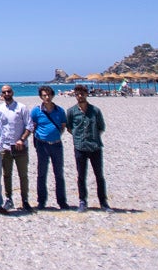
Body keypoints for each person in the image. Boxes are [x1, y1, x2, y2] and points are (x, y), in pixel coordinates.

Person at [66, 85, 112, 213]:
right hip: (80, 147)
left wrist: (92, 136)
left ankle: (103, 202)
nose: (80, 96)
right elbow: (69, 128)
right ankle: (82, 201)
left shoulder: (95, 111)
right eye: (77, 94)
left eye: (82, 94)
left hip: (95, 147)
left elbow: (101, 127)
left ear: (86, 94)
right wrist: (79, 137)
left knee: (99, 176)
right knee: (81, 175)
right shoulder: (71, 111)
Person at [30, 85, 69, 210]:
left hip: (56, 144)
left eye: (48, 95)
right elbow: (33, 125)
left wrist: (55, 135)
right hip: (42, 145)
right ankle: (41, 201)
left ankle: (62, 201)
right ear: (41, 97)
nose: (46, 97)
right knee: (42, 173)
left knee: (59, 173)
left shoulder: (60, 110)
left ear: (52, 95)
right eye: (44, 95)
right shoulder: (36, 111)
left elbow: (63, 125)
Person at [0, 84, 33, 211]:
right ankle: (9, 199)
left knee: (23, 175)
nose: (6, 94)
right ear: (1, 94)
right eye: (4, 92)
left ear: (13, 92)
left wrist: (22, 139)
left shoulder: (22, 108)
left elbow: (29, 126)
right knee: (7, 175)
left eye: (9, 92)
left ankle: (25, 200)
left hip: (20, 147)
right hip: (5, 147)